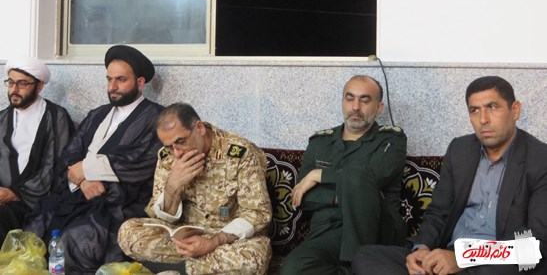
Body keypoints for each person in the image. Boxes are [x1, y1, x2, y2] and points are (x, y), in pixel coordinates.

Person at [352, 75, 547, 275]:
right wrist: (422, 249)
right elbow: (438, 212)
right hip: (447, 257)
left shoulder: (540, 159)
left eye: (492, 107)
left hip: (496, 265)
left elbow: (536, 245)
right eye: (475, 110)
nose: (483, 119)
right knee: (366, 256)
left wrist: (464, 257)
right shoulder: (460, 149)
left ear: (515, 110)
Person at [25, 45, 164, 274]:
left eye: (121, 80)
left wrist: (86, 168)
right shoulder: (97, 114)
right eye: (109, 79)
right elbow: (69, 155)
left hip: (121, 201)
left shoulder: (157, 117)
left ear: (140, 83)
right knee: (36, 229)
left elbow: (143, 161)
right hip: (80, 194)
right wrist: (82, 180)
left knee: (76, 239)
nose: (112, 87)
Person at [118, 102, 272, 275]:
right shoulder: (168, 157)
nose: (177, 153)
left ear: (199, 128)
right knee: (128, 233)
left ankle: (175, 269)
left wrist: (213, 242)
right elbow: (159, 217)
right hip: (185, 236)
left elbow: (257, 212)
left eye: (181, 141)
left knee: (252, 259)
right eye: (170, 146)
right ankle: (200, 269)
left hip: (227, 239)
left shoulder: (239, 153)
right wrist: (172, 186)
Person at [280, 75, 408, 275]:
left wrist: (319, 175)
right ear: (342, 102)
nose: (355, 107)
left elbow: (374, 176)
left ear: (379, 108)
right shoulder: (320, 143)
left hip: (377, 231)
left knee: (357, 172)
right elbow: (302, 197)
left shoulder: (391, 140)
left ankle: (358, 264)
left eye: (364, 100)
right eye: (350, 99)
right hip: (329, 231)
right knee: (293, 268)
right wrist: (344, 197)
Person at [0, 56, 74, 244]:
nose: (14, 89)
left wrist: (16, 193)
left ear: (39, 86)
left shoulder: (56, 117)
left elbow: (55, 166)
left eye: (22, 84)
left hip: (35, 201)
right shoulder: (2, 118)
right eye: (11, 83)